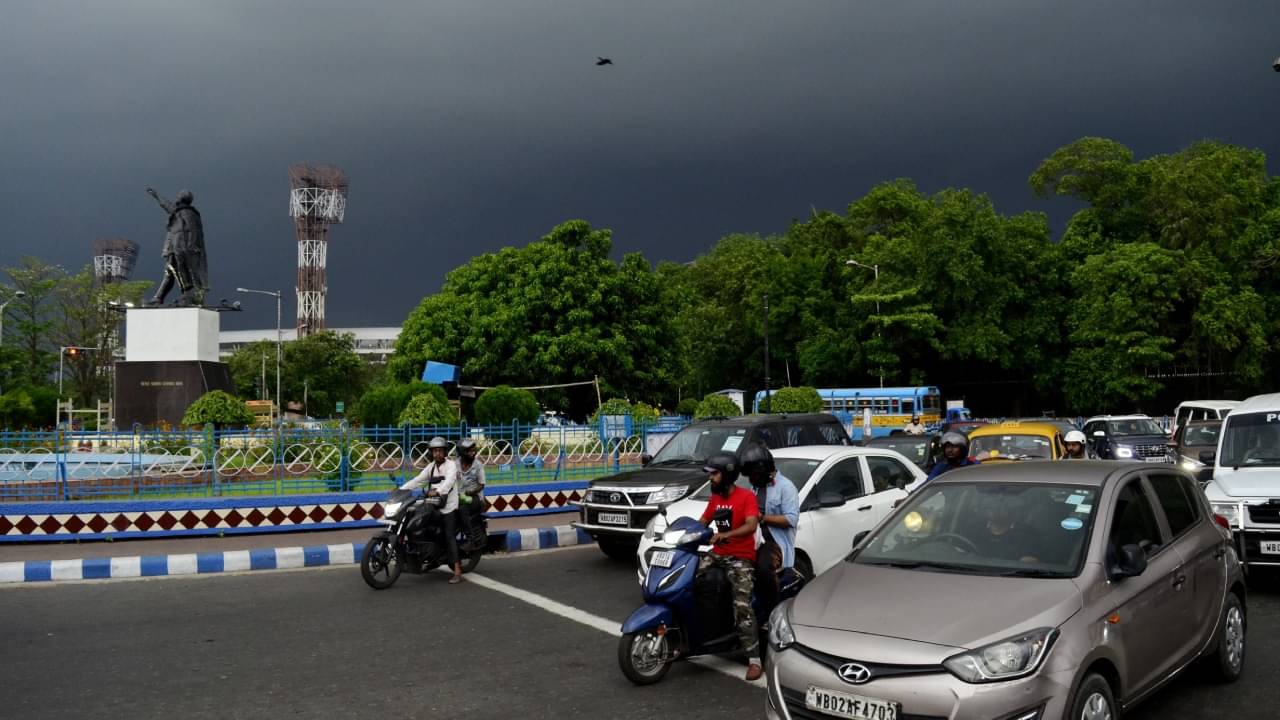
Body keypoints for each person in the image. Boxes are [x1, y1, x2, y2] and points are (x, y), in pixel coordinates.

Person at [697, 451, 763, 681]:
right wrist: (687, 532)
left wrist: (726, 535)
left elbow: (751, 525)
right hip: (717, 554)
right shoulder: (715, 498)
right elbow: (702, 522)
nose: (710, 478)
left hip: (740, 557)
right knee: (687, 579)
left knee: (742, 605)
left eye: (714, 474)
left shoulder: (746, 497)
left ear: (726, 475)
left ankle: (754, 659)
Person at [738, 442, 799, 628]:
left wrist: (763, 518)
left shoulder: (786, 487)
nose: (751, 480)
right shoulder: (755, 488)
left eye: (753, 475)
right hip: (754, 537)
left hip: (775, 542)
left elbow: (791, 519)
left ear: (764, 470)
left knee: (763, 567)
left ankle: (772, 612)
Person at [399, 436, 464, 584]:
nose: (437, 454)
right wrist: (401, 489)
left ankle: (457, 571)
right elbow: (418, 480)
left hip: (449, 506)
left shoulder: (451, 466)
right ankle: (427, 555)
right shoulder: (431, 467)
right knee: (418, 521)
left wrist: (438, 491)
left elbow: (449, 482)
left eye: (440, 451)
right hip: (433, 504)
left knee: (449, 536)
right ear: (431, 453)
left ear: (445, 452)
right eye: (435, 451)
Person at [145, 187, 208, 306]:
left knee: (184, 271)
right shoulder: (178, 211)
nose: (176, 197)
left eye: (178, 195)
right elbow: (167, 205)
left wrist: (190, 246)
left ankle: (189, 296)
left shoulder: (189, 213)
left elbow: (193, 230)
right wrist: (157, 196)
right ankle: (159, 297)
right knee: (170, 271)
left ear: (183, 198)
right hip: (175, 247)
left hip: (184, 249)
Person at [972, 493, 1041, 563]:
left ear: (1012, 509)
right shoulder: (974, 528)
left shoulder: (1027, 534)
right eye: (991, 507)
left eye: (1000, 507)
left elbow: (1032, 562)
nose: (995, 507)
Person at [456, 438, 486, 547]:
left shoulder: (478, 465)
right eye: (469, 451)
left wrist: (470, 492)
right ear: (462, 452)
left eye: (474, 450)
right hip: (459, 497)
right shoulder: (455, 464)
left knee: (462, 508)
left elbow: (481, 484)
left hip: (476, 498)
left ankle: (471, 539)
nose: (473, 453)